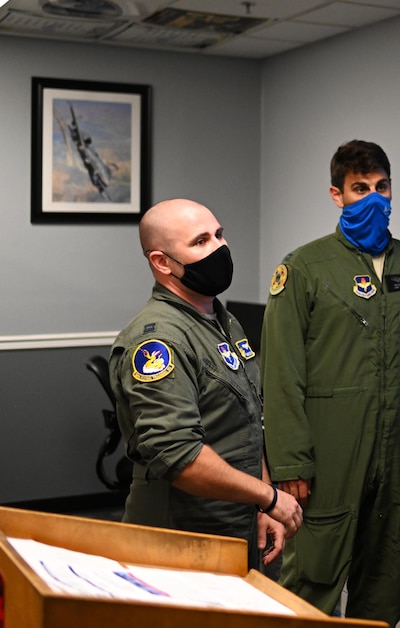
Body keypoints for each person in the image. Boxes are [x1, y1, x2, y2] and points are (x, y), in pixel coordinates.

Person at [261, 139, 400, 624]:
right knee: (311, 581)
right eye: (359, 188)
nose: (373, 198)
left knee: (385, 580)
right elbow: (280, 374)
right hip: (326, 456)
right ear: (336, 194)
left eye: (381, 187)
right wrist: (288, 462)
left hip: (393, 450)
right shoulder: (304, 267)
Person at [110, 198, 303, 572]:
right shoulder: (159, 341)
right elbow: (178, 454)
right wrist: (268, 496)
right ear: (162, 262)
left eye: (219, 235)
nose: (219, 248)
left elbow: (244, 423)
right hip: (180, 534)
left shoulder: (222, 321)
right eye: (200, 242)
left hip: (234, 522)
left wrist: (258, 504)